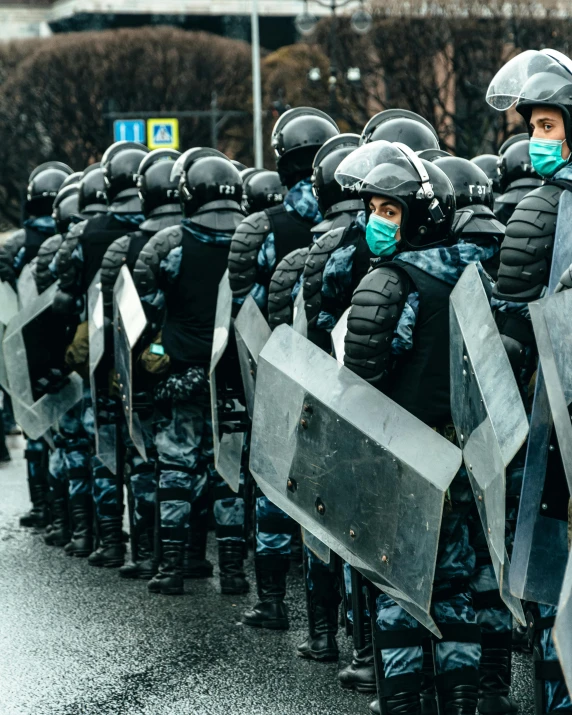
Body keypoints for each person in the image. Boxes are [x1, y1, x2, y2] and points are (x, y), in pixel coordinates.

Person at [338, 140, 499, 715]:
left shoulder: (389, 282)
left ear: (419, 216)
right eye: (373, 210)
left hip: (399, 458)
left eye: (390, 212)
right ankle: (461, 702)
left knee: (399, 587)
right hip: (463, 459)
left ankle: (404, 703)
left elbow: (359, 382)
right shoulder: (478, 273)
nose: (377, 223)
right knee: (456, 587)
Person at [486, 47, 572, 715]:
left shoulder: (550, 208)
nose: (536, 140)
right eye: (533, 128)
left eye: (547, 127)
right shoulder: (548, 205)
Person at [134, 149, 247, 596]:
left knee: (177, 471)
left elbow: (143, 311)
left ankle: (173, 569)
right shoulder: (251, 238)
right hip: (235, 377)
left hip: (179, 375)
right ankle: (235, 574)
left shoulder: (169, 244)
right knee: (229, 474)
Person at [0, 160, 73, 529]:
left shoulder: (15, 246)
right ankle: (72, 514)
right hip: (70, 350)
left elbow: (6, 303)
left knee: (35, 433)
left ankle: (44, 506)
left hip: (27, 352)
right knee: (73, 437)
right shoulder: (75, 238)